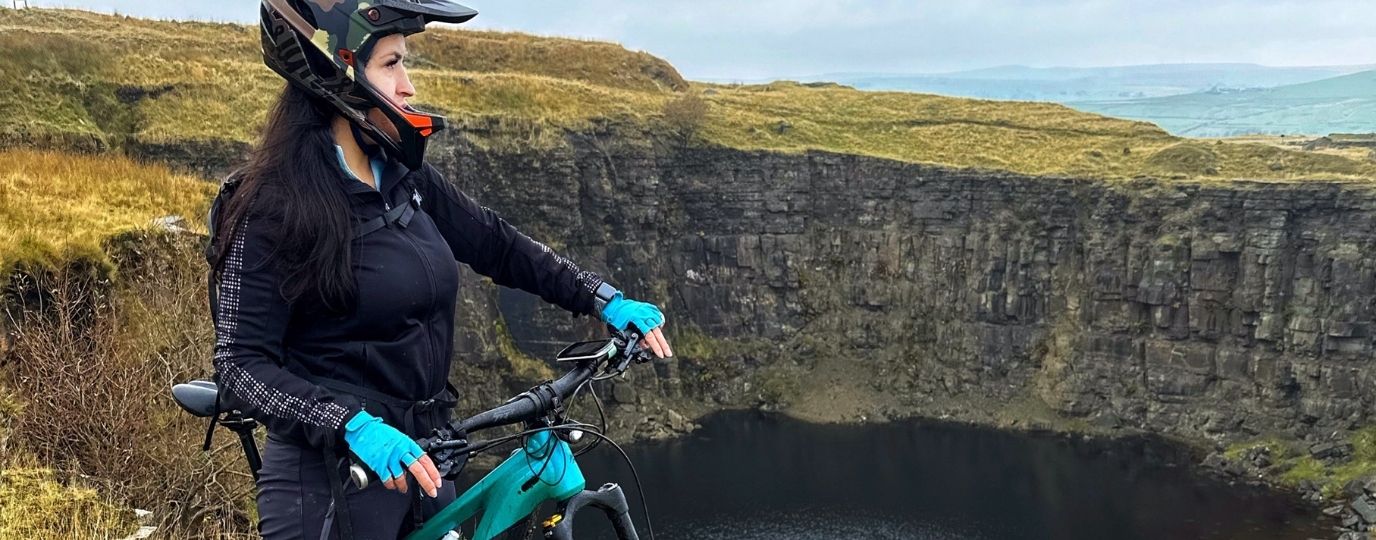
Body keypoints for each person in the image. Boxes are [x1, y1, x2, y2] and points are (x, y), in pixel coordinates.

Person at [209, 1, 674, 538]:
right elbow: (241, 368)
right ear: (337, 74)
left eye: (404, 64)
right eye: (390, 64)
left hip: (430, 459)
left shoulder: (405, 178)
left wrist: (603, 299)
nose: (407, 85)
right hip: (333, 484)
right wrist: (351, 426)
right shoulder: (270, 206)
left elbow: (499, 245)